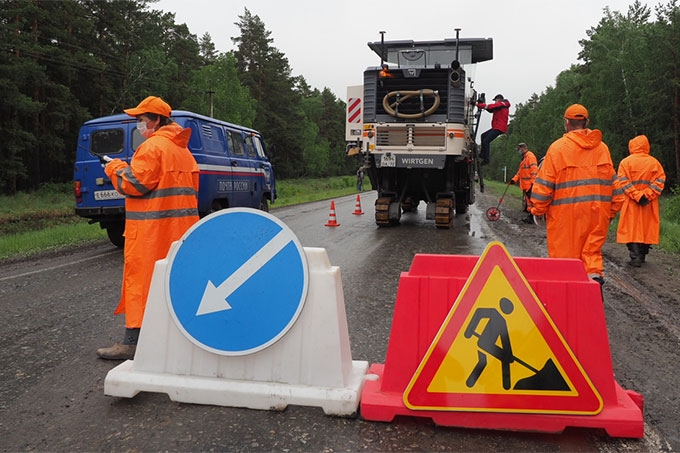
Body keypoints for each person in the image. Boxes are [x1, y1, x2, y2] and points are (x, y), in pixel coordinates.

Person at [97, 96, 200, 360]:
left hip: (150, 235)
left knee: (140, 285)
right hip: (180, 234)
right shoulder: (184, 152)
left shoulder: (152, 148)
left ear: (156, 120)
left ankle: (132, 343)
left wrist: (114, 167)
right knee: (173, 285)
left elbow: (134, 184)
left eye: (142, 120)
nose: (139, 126)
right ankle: (175, 340)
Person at [529, 104, 624, 288]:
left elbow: (543, 188)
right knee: (591, 258)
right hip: (597, 215)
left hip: (565, 220)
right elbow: (616, 188)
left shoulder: (557, 149)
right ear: (586, 122)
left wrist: (537, 210)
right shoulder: (602, 149)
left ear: (566, 123)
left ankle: (567, 305)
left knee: (564, 265)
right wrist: (610, 213)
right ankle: (593, 293)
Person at [616, 134, 666, 267]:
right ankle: (642, 255)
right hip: (648, 203)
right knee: (647, 228)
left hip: (632, 202)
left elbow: (623, 181)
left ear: (631, 146)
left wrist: (636, 195)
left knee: (631, 229)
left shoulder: (625, 162)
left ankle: (635, 256)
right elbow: (660, 181)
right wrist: (646, 195)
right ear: (646, 146)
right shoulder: (654, 162)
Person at [477, 94, 511, 165]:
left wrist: (477, 104)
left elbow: (490, 106)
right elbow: (490, 109)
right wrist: (482, 105)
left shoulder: (502, 104)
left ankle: (486, 159)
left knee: (486, 141)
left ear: (498, 99)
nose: (495, 102)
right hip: (496, 127)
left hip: (499, 127)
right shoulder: (500, 106)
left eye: (495, 100)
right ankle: (482, 154)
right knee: (483, 136)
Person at [509, 143, 538, 224]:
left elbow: (534, 171)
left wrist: (533, 183)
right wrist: (514, 180)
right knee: (529, 203)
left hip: (530, 185)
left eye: (519, 149)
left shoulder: (530, 157)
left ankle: (534, 218)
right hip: (526, 185)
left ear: (523, 148)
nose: (519, 151)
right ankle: (530, 217)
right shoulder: (524, 159)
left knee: (533, 202)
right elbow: (520, 173)